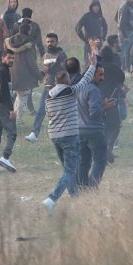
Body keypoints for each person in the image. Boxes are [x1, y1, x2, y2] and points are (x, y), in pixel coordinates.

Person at [40, 53, 99, 211]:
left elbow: (48, 114)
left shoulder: (48, 97)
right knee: (70, 170)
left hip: (54, 135)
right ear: (66, 81)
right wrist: (92, 65)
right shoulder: (71, 91)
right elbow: (85, 81)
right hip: (69, 135)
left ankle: (75, 197)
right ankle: (52, 198)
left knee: (67, 169)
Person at [76, 47, 113, 189]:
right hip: (94, 131)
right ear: (91, 75)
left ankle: (81, 187)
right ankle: (92, 187)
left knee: (83, 162)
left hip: (80, 130)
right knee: (100, 161)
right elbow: (94, 113)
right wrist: (105, 107)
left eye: (103, 74)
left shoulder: (79, 88)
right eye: (100, 75)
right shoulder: (94, 90)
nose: (103, 78)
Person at [28, 33, 67, 143]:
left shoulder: (61, 54)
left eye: (52, 41)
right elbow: (44, 70)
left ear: (57, 42)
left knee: (59, 111)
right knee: (41, 110)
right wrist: (39, 75)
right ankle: (34, 133)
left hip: (58, 87)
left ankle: (62, 135)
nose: (50, 44)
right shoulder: (45, 55)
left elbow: (65, 70)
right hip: (47, 86)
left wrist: (52, 69)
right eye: (48, 42)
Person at [6, 22, 40, 121]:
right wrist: (39, 76)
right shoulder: (28, 44)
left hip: (12, 72)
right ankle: (18, 120)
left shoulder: (10, 42)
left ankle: (14, 118)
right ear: (28, 31)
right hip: (25, 75)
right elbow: (31, 62)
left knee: (18, 96)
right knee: (23, 97)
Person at [116, 0, 133, 72]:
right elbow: (120, 22)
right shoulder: (125, 7)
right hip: (125, 33)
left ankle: (128, 69)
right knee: (124, 52)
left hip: (131, 33)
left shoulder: (132, 6)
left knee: (129, 52)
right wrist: (125, 34)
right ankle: (123, 70)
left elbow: (116, 18)